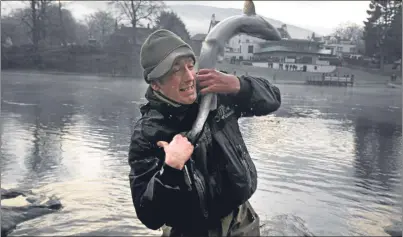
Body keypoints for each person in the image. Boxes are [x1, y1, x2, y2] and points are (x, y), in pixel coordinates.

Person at [128, 29, 281, 237]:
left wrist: (239, 85)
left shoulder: (216, 95)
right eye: (176, 71)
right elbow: (149, 215)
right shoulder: (148, 134)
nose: (190, 77)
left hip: (242, 219)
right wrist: (171, 169)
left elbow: (273, 100)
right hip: (191, 231)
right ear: (156, 83)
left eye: (190, 66)